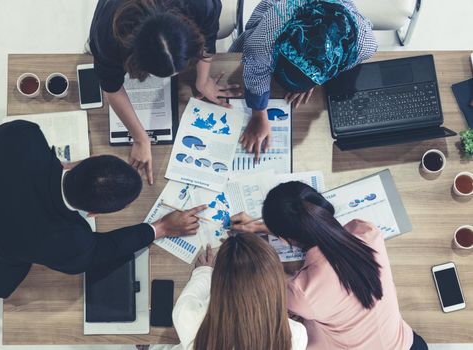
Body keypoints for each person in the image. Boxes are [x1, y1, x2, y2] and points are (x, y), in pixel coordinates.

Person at [0, 120, 205, 298]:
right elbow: (105, 250)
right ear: (94, 214)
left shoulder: (23, 137)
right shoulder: (69, 244)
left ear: (88, 161)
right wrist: (160, 227)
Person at [231, 181, 428, 350]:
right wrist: (261, 226)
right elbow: (321, 231)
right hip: (410, 345)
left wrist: (253, 242)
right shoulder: (368, 233)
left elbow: (267, 282)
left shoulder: (302, 293)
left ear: (283, 239)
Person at [89, 0, 240, 185]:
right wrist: (140, 138)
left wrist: (203, 81)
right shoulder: (107, 34)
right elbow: (111, 87)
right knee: (100, 56)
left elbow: (207, 37)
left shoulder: (203, 4)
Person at [229, 0, 377, 160]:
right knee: (240, 58)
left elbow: (342, 65)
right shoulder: (267, 37)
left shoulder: (364, 45)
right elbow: (254, 65)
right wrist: (258, 114)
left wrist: (315, 75)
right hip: (279, 17)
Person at [148, 235, 308, 350]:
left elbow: (191, 295)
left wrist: (203, 271)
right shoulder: (296, 335)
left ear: (219, 282)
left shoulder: (189, 317)